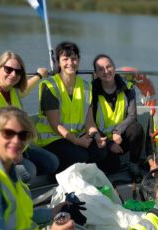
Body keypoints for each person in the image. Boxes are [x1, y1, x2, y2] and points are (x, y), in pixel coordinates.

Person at [0, 51, 59, 182]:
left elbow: (25, 90)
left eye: (18, 72)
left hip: (18, 146)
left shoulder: (13, 91)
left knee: (52, 162)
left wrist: (39, 75)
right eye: (8, 69)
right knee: (28, 172)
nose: (13, 74)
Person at [38, 42, 107, 172]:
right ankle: (58, 177)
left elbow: (90, 121)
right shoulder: (50, 86)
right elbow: (55, 125)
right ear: (58, 61)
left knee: (100, 151)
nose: (70, 62)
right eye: (65, 59)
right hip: (53, 138)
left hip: (76, 136)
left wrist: (97, 136)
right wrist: (76, 141)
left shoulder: (86, 86)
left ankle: (81, 176)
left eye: (74, 59)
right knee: (79, 155)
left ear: (79, 60)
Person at [91, 54, 145, 177]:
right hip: (101, 140)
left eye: (108, 66)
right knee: (113, 167)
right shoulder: (91, 91)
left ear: (114, 68)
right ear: (96, 73)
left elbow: (132, 116)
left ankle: (133, 163)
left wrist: (117, 131)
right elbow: (90, 122)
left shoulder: (128, 87)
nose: (106, 71)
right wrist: (109, 144)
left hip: (120, 138)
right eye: (101, 69)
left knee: (136, 128)